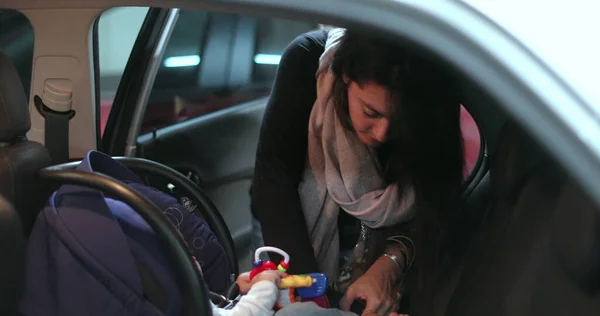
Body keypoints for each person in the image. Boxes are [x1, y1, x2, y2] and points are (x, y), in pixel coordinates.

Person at [251, 27, 464, 316]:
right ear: (346, 75)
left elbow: (437, 205)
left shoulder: (433, 97)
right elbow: (274, 180)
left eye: (401, 120)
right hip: (295, 245)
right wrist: (313, 301)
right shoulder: (307, 62)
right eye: (371, 112)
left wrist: (390, 263)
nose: (382, 133)